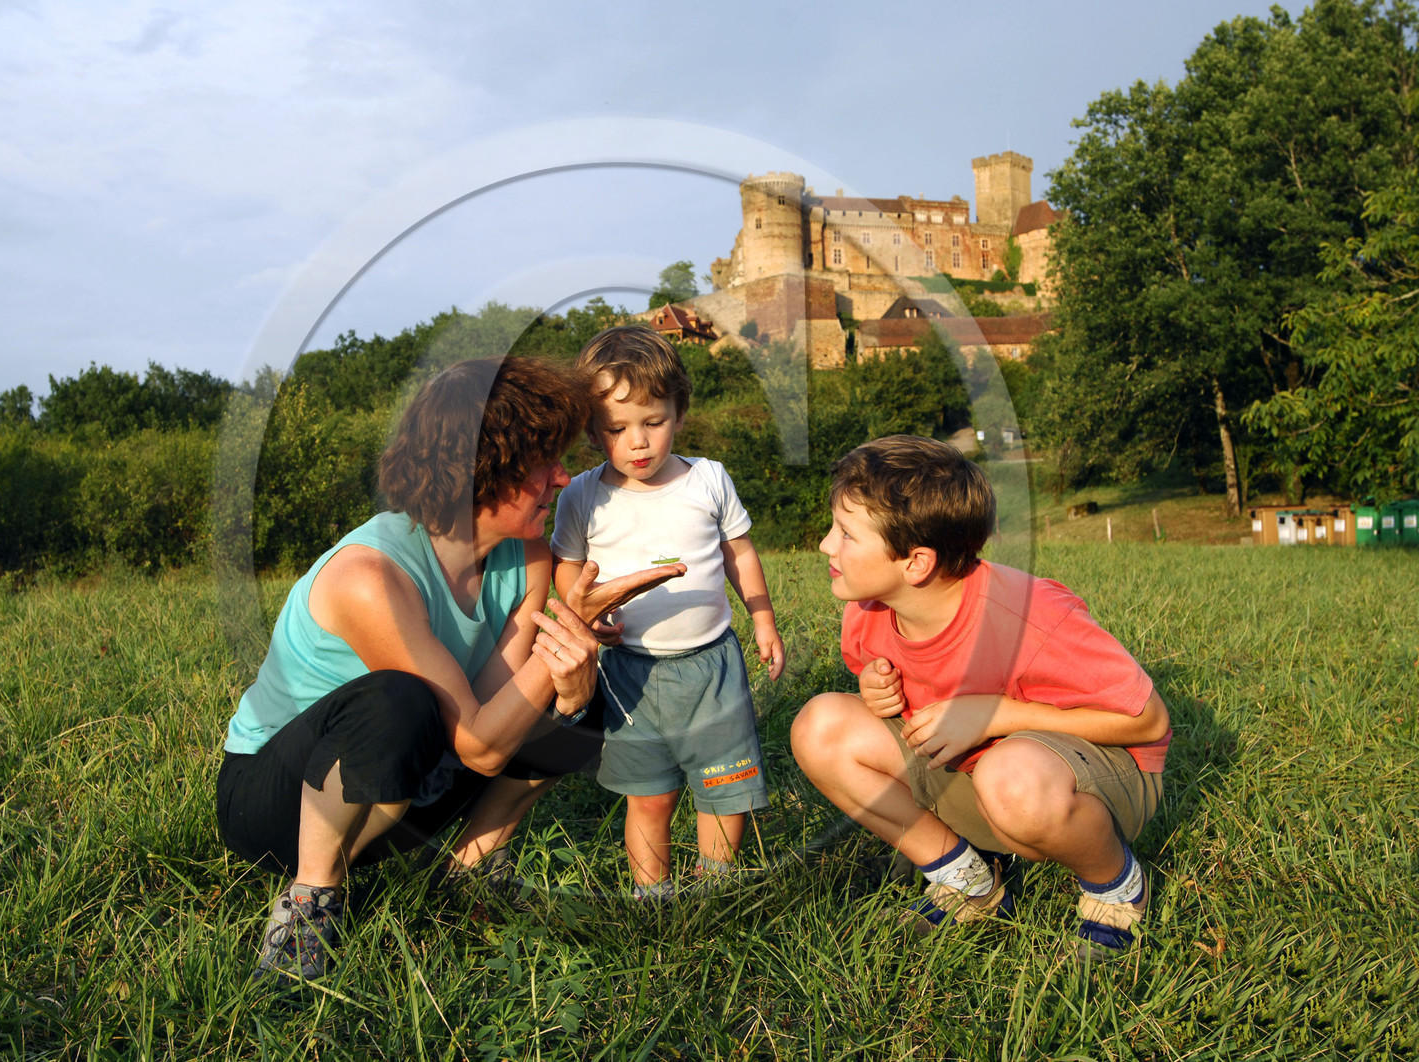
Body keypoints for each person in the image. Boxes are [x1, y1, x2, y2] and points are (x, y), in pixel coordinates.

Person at [216, 356, 684, 984]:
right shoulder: (370, 576)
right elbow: (478, 744)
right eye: (542, 463)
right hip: (276, 803)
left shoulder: (528, 557)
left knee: (587, 698)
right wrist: (563, 634)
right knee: (397, 700)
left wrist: (571, 689)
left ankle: (469, 869)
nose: (562, 477)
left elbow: (498, 711)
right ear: (482, 472)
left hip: (400, 785)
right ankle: (311, 901)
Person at [789, 435, 1171, 961]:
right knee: (819, 726)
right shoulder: (868, 607)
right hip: (978, 778)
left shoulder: (1026, 614)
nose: (826, 546)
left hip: (1094, 783)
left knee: (1009, 776)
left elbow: (1147, 721)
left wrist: (996, 714)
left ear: (916, 563)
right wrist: (873, 690)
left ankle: (1115, 889)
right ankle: (966, 881)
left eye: (847, 534)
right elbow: (883, 687)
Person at [551, 326, 784, 901]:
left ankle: (716, 884)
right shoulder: (582, 496)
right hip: (631, 672)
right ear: (591, 431)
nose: (639, 442)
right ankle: (651, 893)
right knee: (649, 795)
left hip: (713, 666)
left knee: (723, 787)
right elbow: (567, 569)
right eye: (617, 429)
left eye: (653, 422)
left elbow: (740, 553)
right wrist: (586, 617)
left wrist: (763, 620)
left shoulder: (708, 479)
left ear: (679, 412)